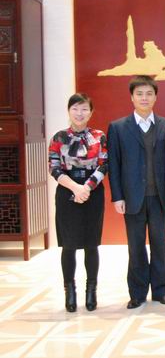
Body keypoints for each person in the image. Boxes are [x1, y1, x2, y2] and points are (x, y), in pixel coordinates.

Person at [107, 75, 165, 309]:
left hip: (159, 197)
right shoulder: (118, 128)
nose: (144, 98)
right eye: (139, 94)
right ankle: (137, 293)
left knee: (160, 245)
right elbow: (114, 164)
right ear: (132, 97)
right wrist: (117, 196)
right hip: (132, 198)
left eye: (149, 94)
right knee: (135, 247)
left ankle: (161, 291)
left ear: (155, 97)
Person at [48, 93, 107, 312]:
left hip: (93, 193)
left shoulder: (99, 136)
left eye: (84, 109)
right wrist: (75, 188)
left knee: (91, 244)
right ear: (69, 111)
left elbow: (104, 165)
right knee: (69, 244)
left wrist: (87, 187)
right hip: (67, 192)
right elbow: (54, 167)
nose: (79, 113)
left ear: (91, 112)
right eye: (75, 108)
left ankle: (91, 290)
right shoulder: (59, 137)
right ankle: (69, 290)